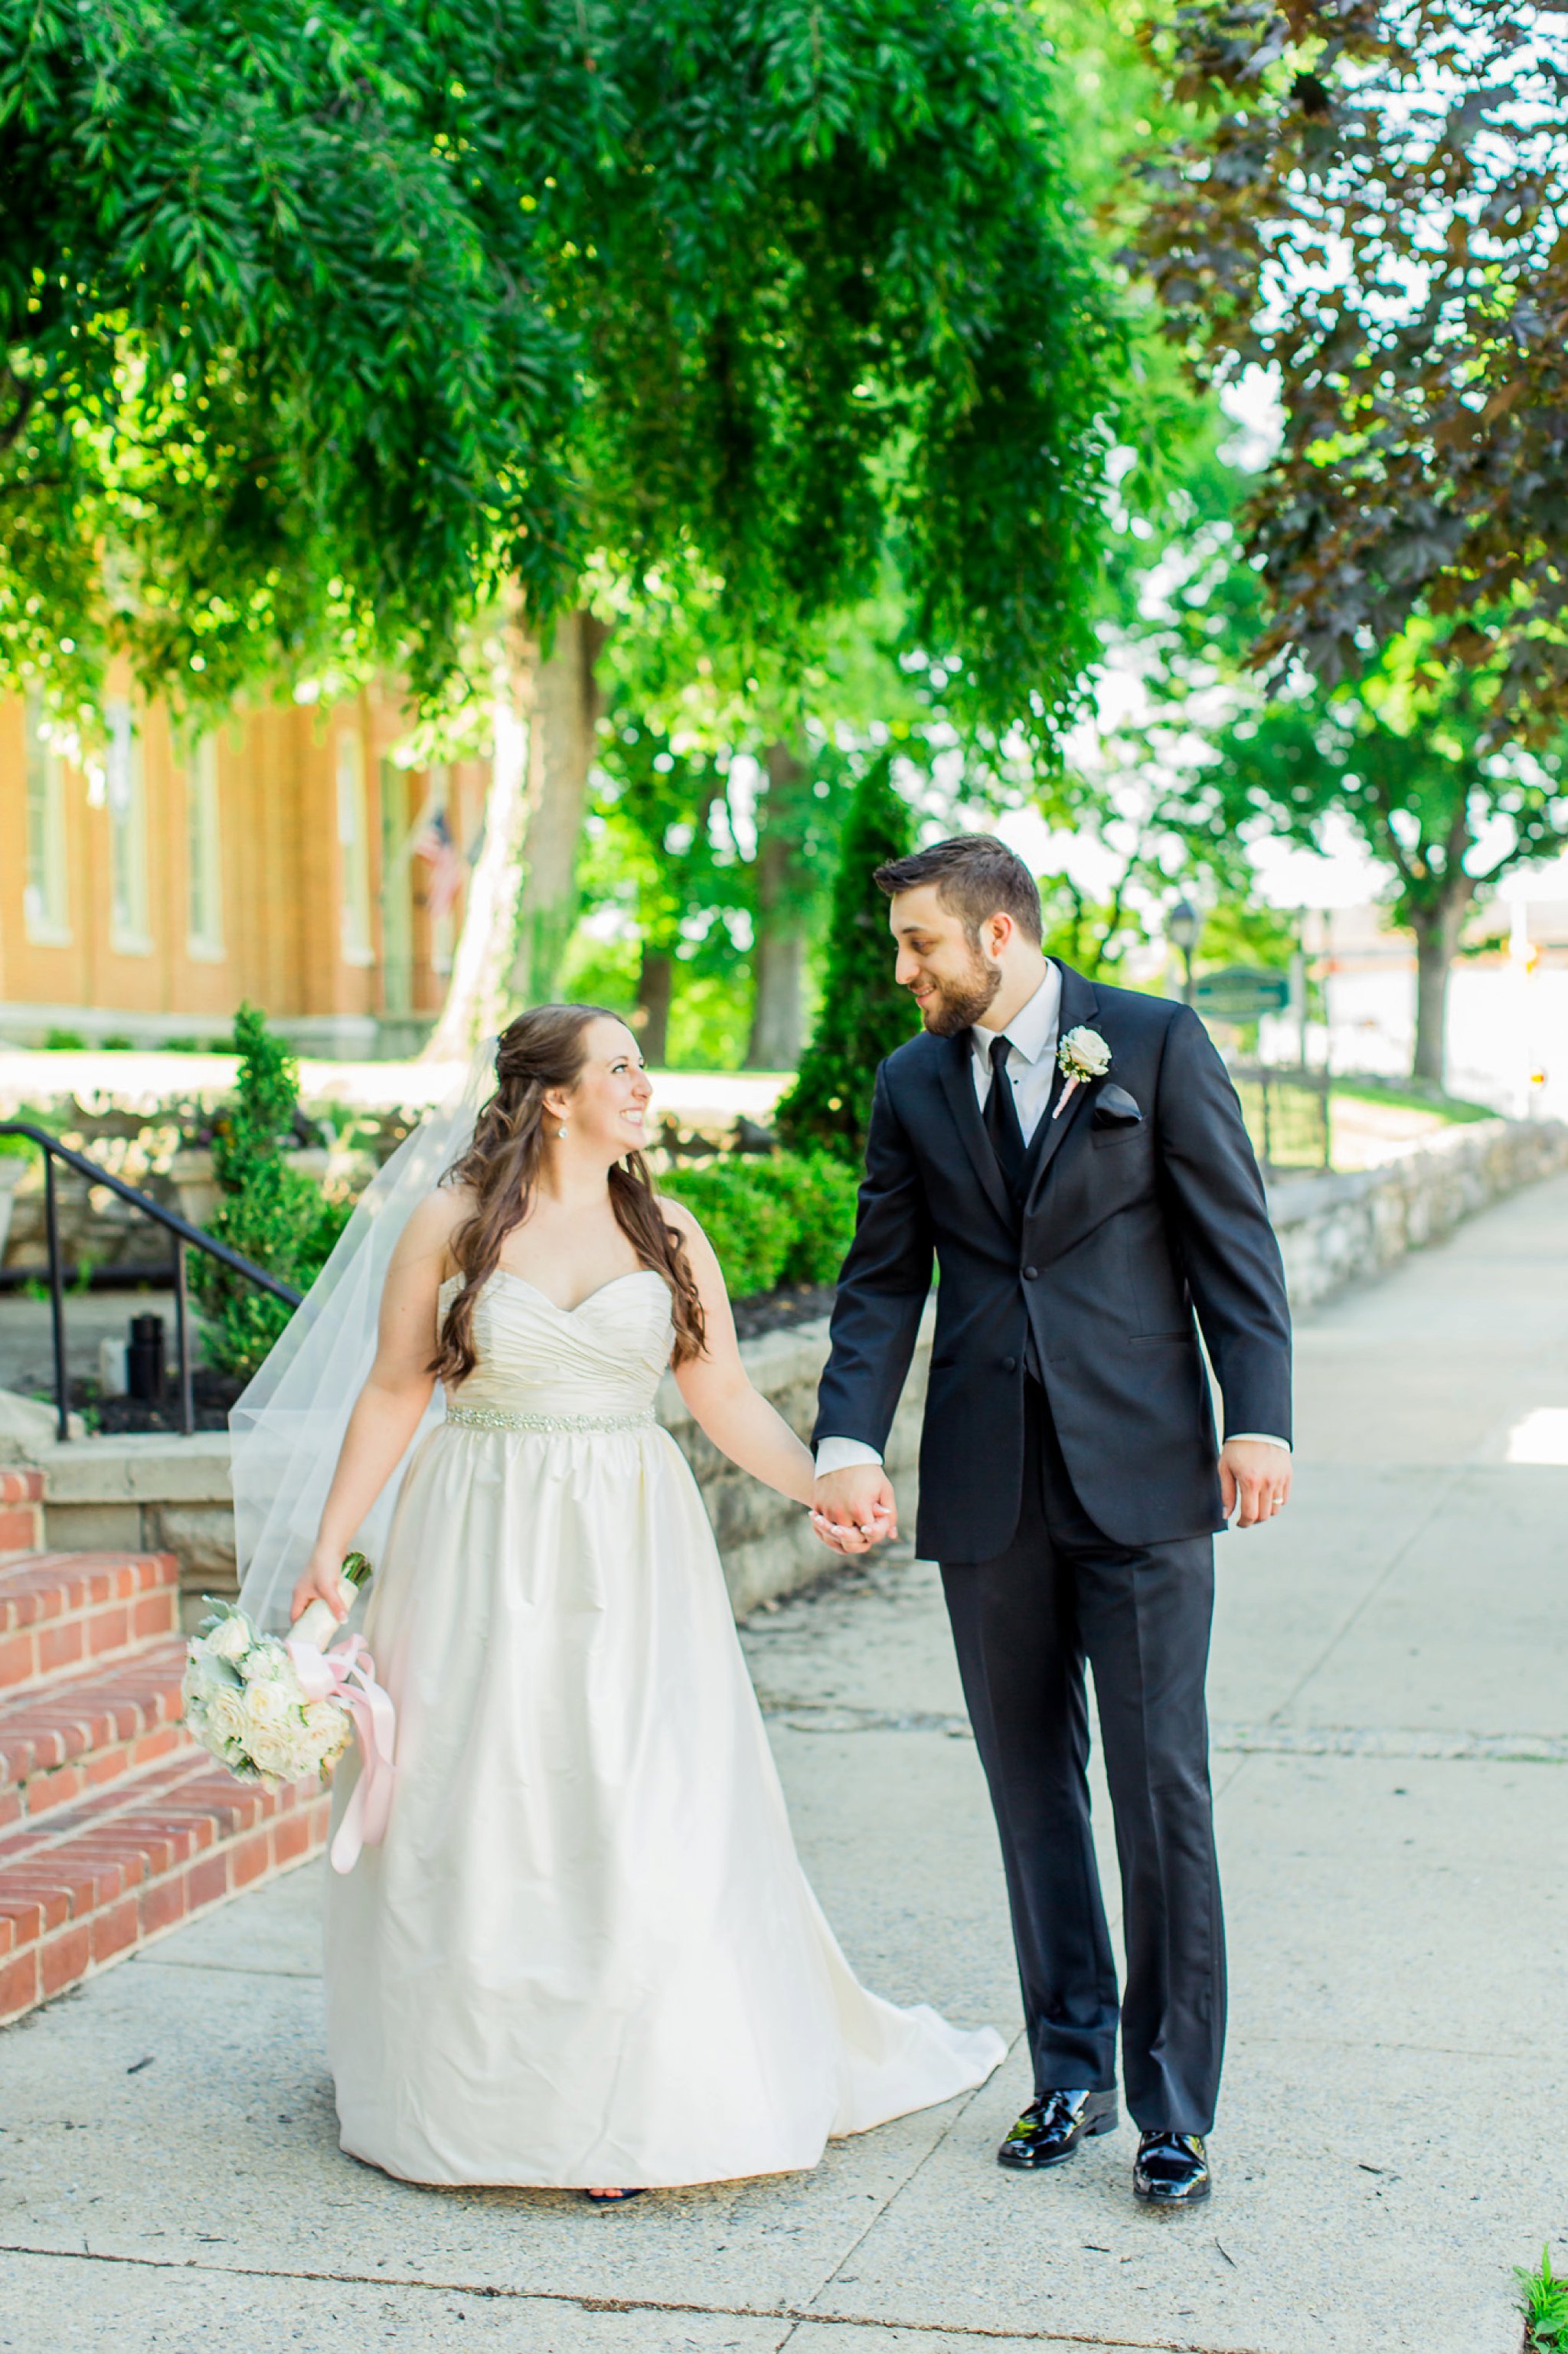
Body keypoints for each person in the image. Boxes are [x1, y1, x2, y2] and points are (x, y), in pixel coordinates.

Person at [286, 1003, 1003, 2200]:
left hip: (628, 1543)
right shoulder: (452, 1221)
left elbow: (721, 1393)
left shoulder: (663, 1227)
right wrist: (328, 1547)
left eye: (639, 1066)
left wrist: (824, 1481)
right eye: (619, 1067)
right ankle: (479, 2091)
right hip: (475, 1534)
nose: (644, 1084)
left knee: (631, 1797)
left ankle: (629, 2097)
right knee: (485, 1800)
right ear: (554, 1096)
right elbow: (393, 1389)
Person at [808, 837, 1292, 2210]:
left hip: (1143, 1476)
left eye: (921, 946)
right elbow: (881, 1279)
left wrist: (1258, 1414)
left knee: (1160, 1795)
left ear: (1002, 934)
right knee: (1032, 1795)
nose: (903, 971)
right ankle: (1067, 2070)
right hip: (987, 1485)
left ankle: (1173, 2107)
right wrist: (848, 1437)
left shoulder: (1150, 1040)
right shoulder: (913, 1082)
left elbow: (1234, 1250)